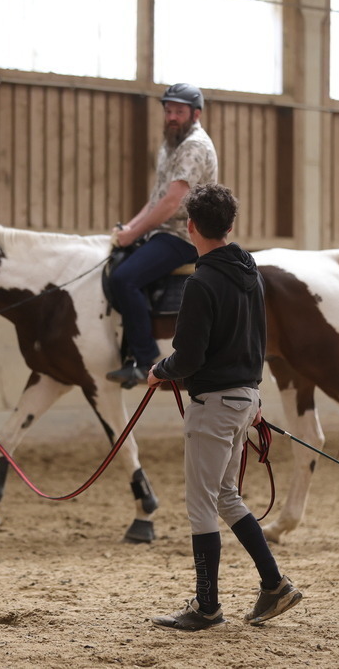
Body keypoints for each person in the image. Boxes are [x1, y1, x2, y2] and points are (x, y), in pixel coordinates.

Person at [146, 183, 302, 631]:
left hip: (213, 404)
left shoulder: (200, 283)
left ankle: (208, 607)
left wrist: (160, 370)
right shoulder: (250, 271)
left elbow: (189, 357)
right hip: (243, 399)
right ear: (230, 226)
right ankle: (273, 585)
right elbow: (259, 340)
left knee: (202, 505)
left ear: (191, 226)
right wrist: (253, 396)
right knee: (227, 496)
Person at [106, 82, 218, 389]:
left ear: (195, 114)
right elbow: (156, 198)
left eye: (178, 111)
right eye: (168, 110)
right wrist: (128, 229)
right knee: (116, 264)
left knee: (123, 278)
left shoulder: (194, 146)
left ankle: (146, 361)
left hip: (185, 235)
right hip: (162, 231)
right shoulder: (171, 143)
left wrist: (133, 235)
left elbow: (171, 203)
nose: (171, 116)